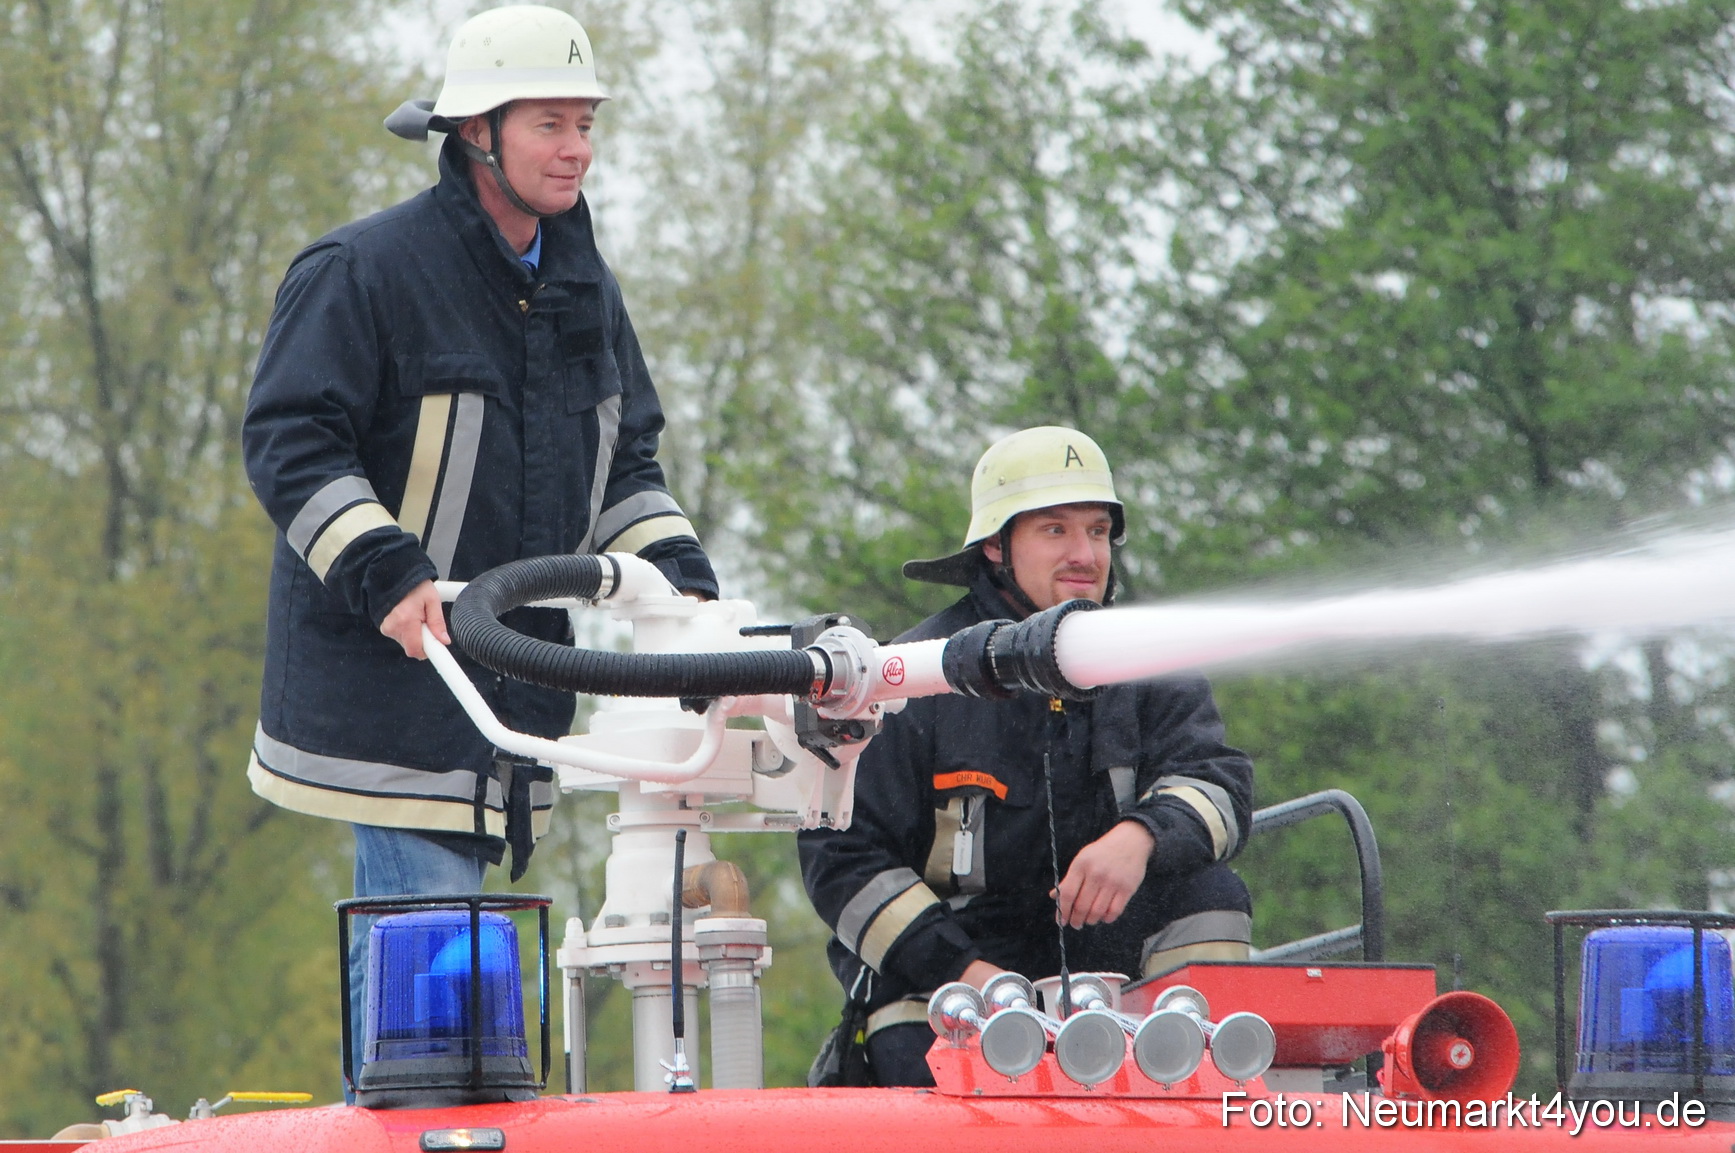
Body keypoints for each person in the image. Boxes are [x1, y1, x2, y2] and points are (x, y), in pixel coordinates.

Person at [240, 5, 717, 1087]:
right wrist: (387, 574)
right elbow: (289, 439)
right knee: (445, 1026)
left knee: (479, 1017)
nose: (577, 149)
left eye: (586, 123)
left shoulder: (587, 291)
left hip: (509, 713)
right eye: (550, 122)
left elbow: (624, 463)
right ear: (473, 133)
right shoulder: (363, 269)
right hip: (391, 695)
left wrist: (684, 590)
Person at [799, 426, 1253, 1087]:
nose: (1084, 553)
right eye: (1054, 531)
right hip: (943, 980)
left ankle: (1201, 1089)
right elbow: (839, 854)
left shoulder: (1146, 659)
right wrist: (965, 974)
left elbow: (1220, 781)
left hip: (1111, 961)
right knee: (913, 1066)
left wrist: (1139, 837)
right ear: (994, 545)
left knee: (1211, 892)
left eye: (1098, 531)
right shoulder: (915, 676)